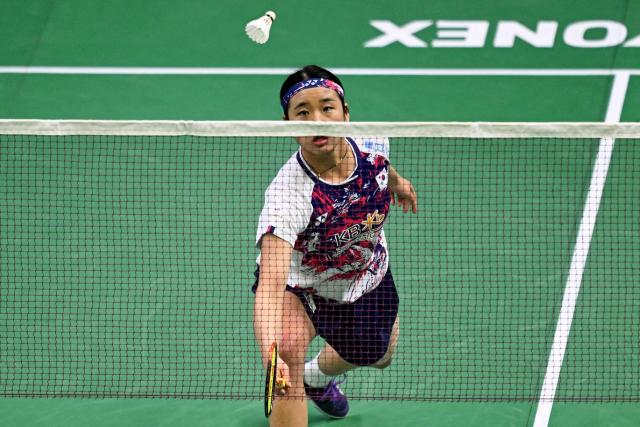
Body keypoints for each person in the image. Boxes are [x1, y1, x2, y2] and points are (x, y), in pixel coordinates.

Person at [253, 65, 417, 427]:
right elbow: (269, 288)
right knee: (290, 349)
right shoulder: (288, 198)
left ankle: (316, 379)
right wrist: (271, 352)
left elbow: (381, 167)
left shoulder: (372, 141)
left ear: (346, 113)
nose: (318, 121)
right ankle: (298, 375)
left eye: (327, 108)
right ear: (288, 124)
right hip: (303, 285)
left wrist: (397, 183)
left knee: (379, 354)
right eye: (303, 112)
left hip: (366, 275)